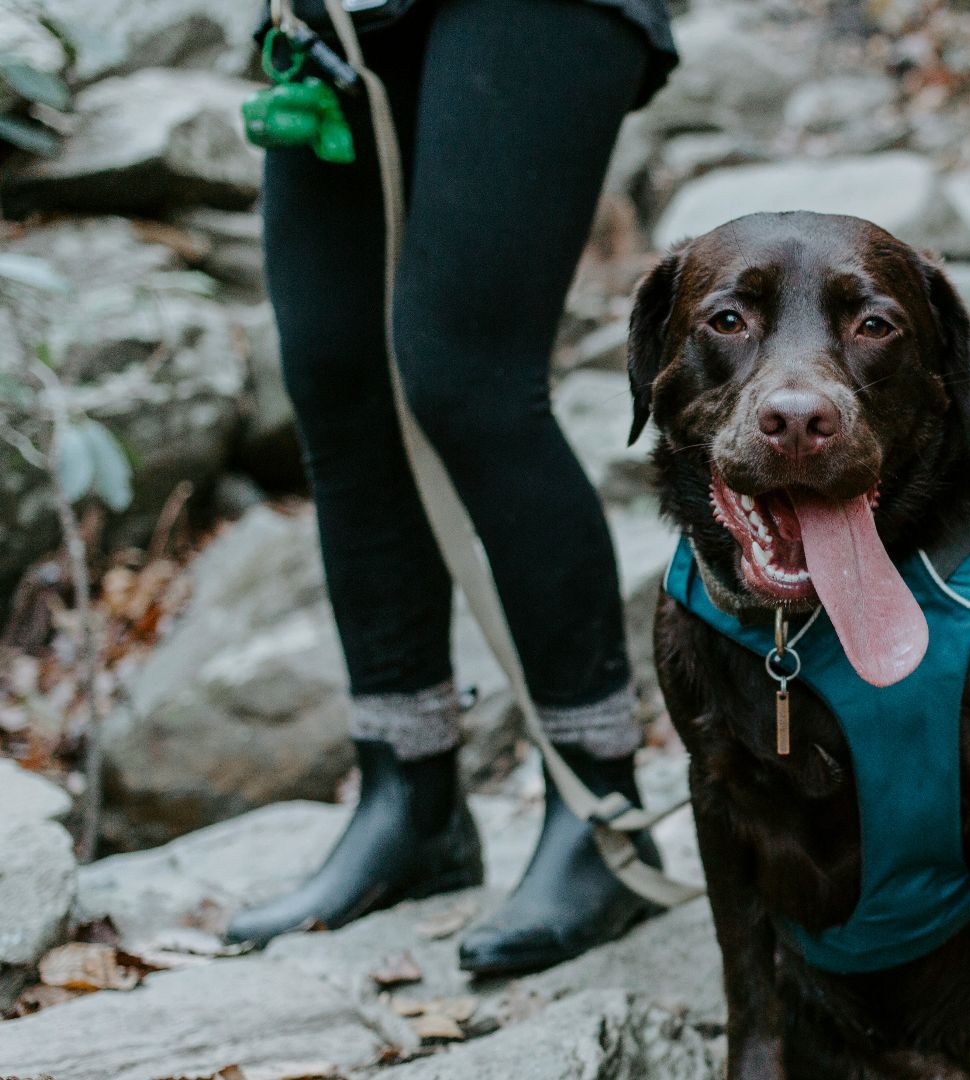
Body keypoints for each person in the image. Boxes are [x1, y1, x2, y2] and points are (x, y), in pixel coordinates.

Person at [223, 0, 678, 978]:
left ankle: (602, 816)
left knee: (465, 377)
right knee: (339, 385)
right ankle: (411, 800)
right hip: (335, 15)